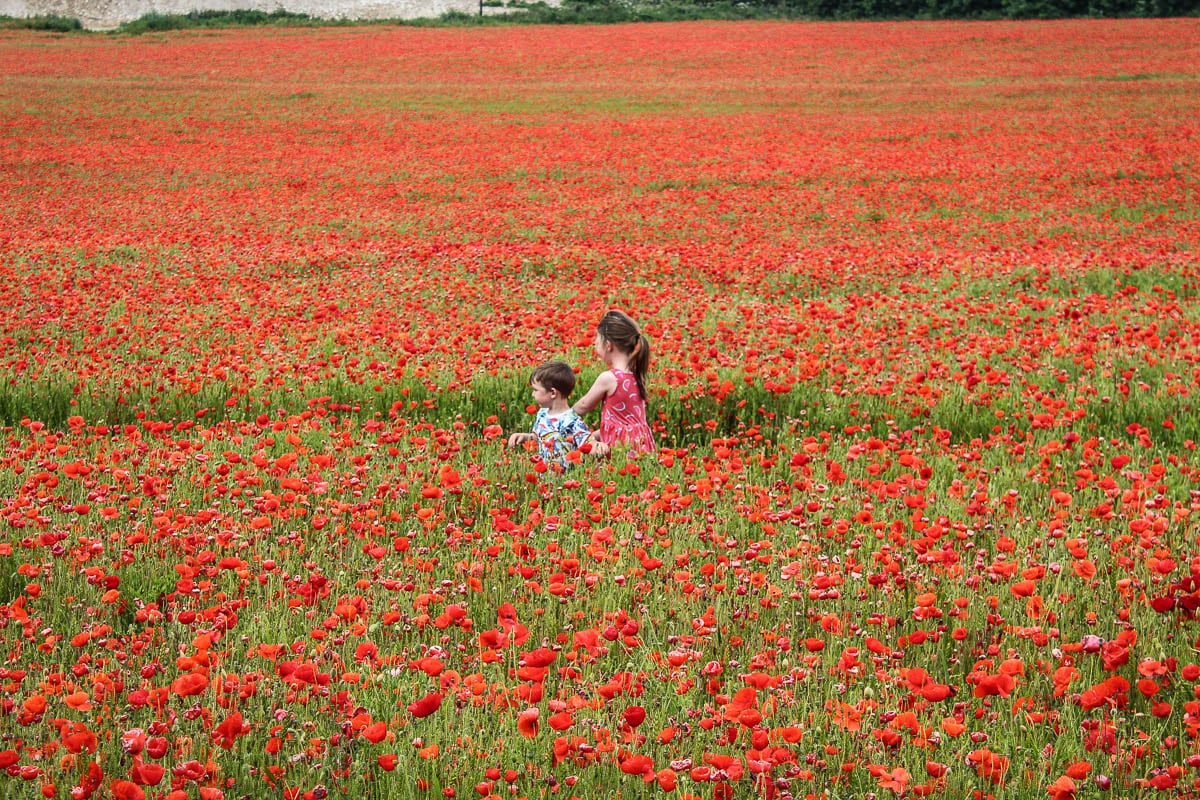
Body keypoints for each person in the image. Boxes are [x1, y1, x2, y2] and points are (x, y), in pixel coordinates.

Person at [573, 310, 655, 455]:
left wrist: (563, 416)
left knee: (616, 475)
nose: (596, 348)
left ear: (608, 345)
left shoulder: (610, 378)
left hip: (620, 445)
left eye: (597, 343)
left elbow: (584, 405)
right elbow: (625, 420)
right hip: (641, 443)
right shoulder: (637, 375)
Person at [507, 360, 592, 470]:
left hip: (568, 480)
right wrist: (525, 437)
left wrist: (599, 447)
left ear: (553, 393)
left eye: (535, 390)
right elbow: (539, 438)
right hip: (546, 478)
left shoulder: (573, 421)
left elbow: (588, 445)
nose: (533, 394)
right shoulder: (542, 414)